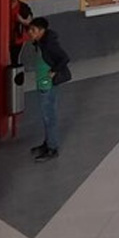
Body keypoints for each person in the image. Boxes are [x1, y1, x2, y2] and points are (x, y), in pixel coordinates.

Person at [26, 17, 71, 162]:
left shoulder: (50, 45)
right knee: (46, 116)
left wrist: (54, 71)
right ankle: (47, 143)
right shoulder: (40, 43)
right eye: (30, 29)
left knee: (49, 117)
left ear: (42, 31)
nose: (30, 32)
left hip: (47, 84)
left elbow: (64, 58)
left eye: (33, 30)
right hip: (42, 82)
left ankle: (52, 148)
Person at [8, 0, 33, 67]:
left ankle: (15, 68)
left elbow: (29, 19)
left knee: (15, 54)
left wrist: (22, 20)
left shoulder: (23, 6)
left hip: (18, 34)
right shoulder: (4, 6)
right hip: (7, 33)